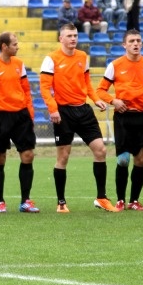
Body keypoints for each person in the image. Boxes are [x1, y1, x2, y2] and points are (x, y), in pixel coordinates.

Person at [39, 23, 115, 213]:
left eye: (75, 35)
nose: (73, 39)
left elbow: (87, 83)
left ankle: (101, 198)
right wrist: (53, 109)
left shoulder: (82, 57)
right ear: (61, 39)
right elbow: (44, 88)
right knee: (63, 156)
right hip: (63, 113)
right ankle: (61, 202)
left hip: (84, 110)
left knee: (101, 151)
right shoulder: (51, 59)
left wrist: (96, 99)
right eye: (69, 36)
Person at [97, 29, 143, 211]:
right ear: (124, 45)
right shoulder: (115, 65)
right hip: (123, 117)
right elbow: (100, 90)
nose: (136, 44)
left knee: (140, 160)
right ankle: (120, 200)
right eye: (132, 41)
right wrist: (114, 101)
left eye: (138, 41)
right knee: (123, 161)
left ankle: (134, 200)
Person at [0, 32, 40, 213]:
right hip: (0, 116)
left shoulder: (19, 65)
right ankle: (0, 202)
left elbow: (26, 91)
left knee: (28, 155)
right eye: (14, 44)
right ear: (4, 46)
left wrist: (30, 114)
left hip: (21, 116)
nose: (17, 46)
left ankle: (25, 201)